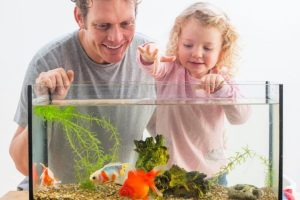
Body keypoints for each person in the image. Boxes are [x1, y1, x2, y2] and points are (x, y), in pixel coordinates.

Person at [9, 0, 163, 186]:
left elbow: (170, 136)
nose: (116, 37)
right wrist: (46, 107)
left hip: (119, 191)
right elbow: (22, 164)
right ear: (79, 18)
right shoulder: (49, 61)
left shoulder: (149, 60)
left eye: (126, 24)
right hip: (59, 192)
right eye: (103, 26)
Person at [137, 2, 251, 184]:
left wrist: (222, 89)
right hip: (169, 172)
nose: (197, 53)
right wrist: (148, 58)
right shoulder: (170, 70)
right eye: (188, 45)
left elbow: (241, 117)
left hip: (211, 174)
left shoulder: (223, 79)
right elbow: (154, 68)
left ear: (222, 50)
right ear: (178, 41)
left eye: (207, 48)